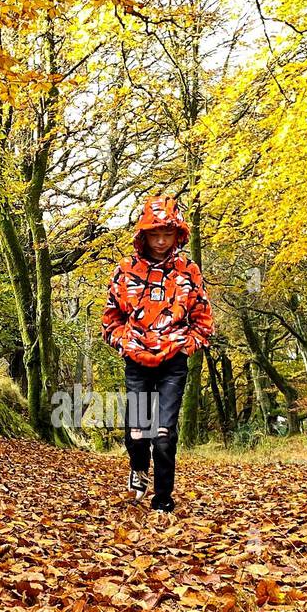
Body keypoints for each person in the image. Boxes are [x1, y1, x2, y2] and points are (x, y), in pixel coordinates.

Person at [101, 196, 215, 513]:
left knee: (163, 435)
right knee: (139, 434)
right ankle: (138, 468)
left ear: (177, 234)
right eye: (155, 234)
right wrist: (126, 342)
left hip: (173, 363)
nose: (162, 241)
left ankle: (162, 501)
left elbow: (204, 321)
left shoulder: (188, 271)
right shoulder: (125, 270)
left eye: (167, 234)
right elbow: (110, 320)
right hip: (136, 362)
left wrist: (186, 344)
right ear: (144, 235)